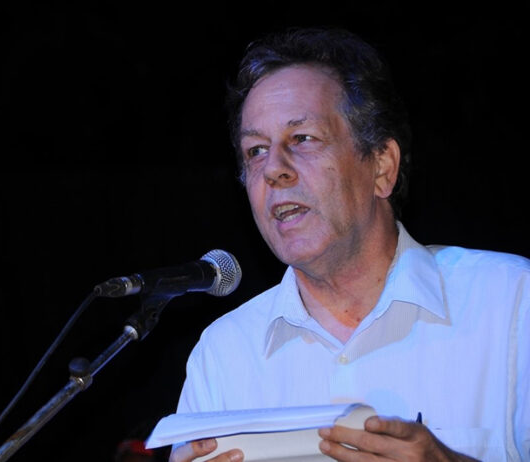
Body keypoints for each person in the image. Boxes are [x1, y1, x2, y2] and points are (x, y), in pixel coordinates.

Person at [168, 27, 529, 462]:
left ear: (382, 166)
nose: (274, 169)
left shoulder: (512, 302)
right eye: (256, 150)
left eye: (302, 139)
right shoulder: (223, 354)